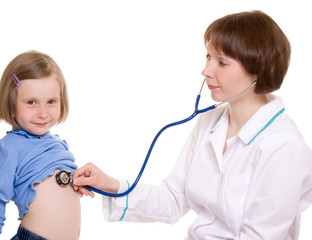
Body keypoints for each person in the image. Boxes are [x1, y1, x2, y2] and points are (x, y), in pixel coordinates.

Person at [72, 10, 312, 239]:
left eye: (222, 62)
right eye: (208, 56)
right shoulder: (210, 122)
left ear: (258, 69)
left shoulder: (284, 146)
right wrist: (111, 185)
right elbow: (173, 198)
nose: (205, 70)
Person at [0, 50, 80, 240]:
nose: (42, 113)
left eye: (51, 102)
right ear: (11, 102)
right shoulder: (6, 150)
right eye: (31, 102)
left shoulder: (58, 145)